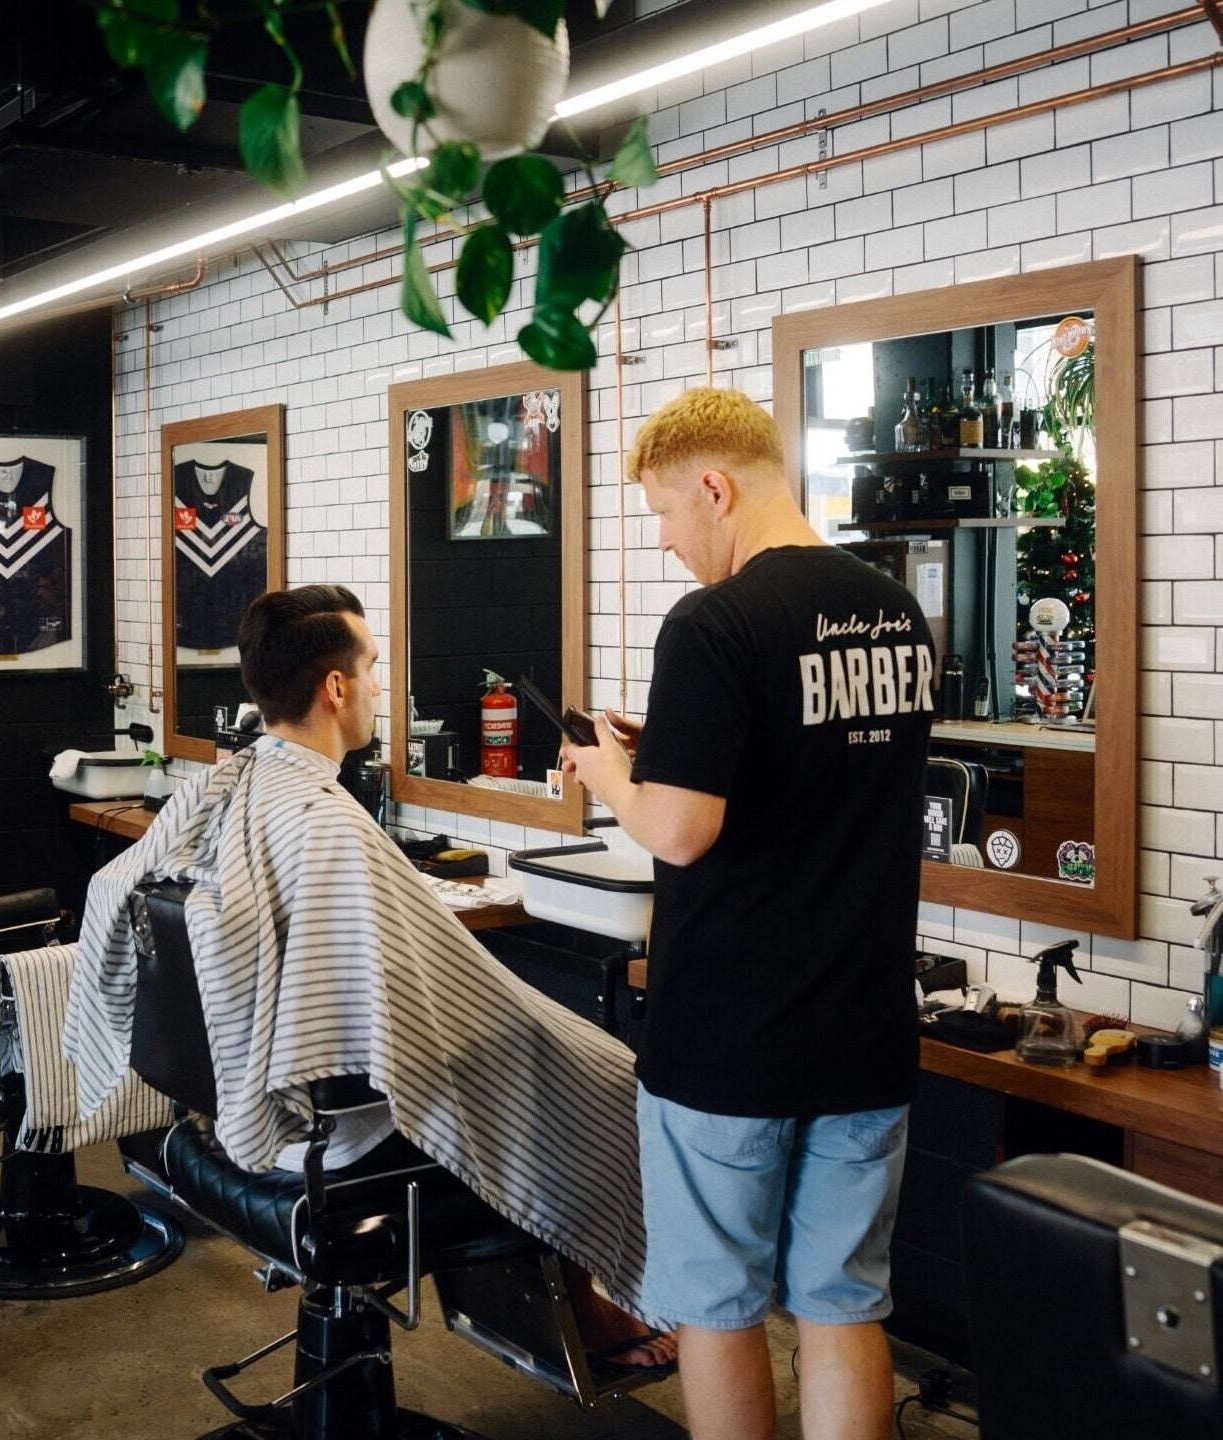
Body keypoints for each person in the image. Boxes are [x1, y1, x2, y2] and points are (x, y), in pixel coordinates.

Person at [65, 582, 671, 1368]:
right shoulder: (323, 824)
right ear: (336, 688)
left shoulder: (242, 788)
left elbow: (120, 889)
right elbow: (432, 1008)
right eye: (375, 667)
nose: (382, 686)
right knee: (604, 1074)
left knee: (543, 1063)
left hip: (241, 1116)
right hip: (332, 1138)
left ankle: (584, 1308)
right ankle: (619, 1306)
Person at [562, 388, 935, 1440]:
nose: (670, 542)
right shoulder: (892, 611)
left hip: (729, 1042)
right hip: (861, 1028)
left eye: (666, 516)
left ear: (714, 488)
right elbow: (804, 770)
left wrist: (607, 773)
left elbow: (677, 834)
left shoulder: (714, 621)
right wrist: (670, 749)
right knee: (842, 1304)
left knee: (714, 1310)